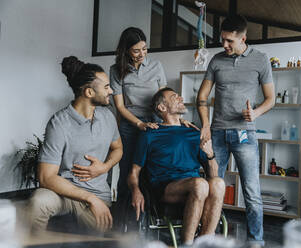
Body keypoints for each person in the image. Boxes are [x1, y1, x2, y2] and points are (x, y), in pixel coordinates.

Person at [197, 15, 275, 244]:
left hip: (245, 134)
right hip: (218, 133)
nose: (224, 45)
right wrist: (205, 126)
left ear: (243, 38)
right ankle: (207, 237)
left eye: (230, 41)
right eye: (223, 39)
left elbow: (270, 99)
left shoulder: (261, 60)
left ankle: (256, 242)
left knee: (252, 192)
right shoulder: (216, 60)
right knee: (212, 188)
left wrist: (256, 113)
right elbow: (202, 96)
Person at [27, 56, 123, 233]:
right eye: (106, 87)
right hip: (63, 193)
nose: (111, 91)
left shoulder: (108, 116)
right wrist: (89, 198)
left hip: (98, 195)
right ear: (89, 92)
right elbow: (46, 177)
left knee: (101, 239)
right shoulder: (59, 123)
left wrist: (104, 167)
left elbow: (118, 148)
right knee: (38, 201)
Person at [110, 28, 195, 218]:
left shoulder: (156, 66)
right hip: (131, 127)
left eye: (145, 49)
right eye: (136, 50)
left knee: (152, 172)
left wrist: (178, 120)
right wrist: (139, 125)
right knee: (128, 173)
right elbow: (120, 107)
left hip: (156, 125)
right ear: (125, 50)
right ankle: (123, 217)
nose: (142, 54)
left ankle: (151, 215)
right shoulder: (116, 70)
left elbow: (165, 98)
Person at [128, 88, 225, 246]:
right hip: (165, 187)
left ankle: (204, 242)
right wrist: (135, 190)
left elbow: (213, 174)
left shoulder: (194, 132)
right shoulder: (150, 133)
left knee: (218, 183)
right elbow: (134, 171)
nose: (180, 97)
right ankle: (187, 244)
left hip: (195, 186)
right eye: (174, 97)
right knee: (200, 184)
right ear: (162, 107)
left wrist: (210, 154)